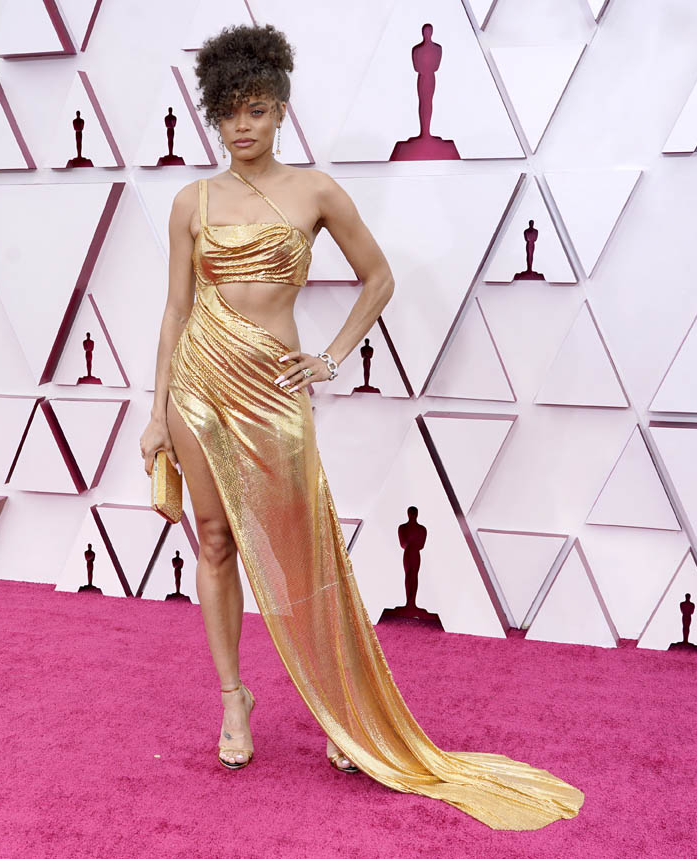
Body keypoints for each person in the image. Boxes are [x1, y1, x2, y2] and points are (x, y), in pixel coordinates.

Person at [138, 23, 583, 831]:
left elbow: (378, 279)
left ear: (279, 110)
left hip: (275, 391)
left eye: (258, 110)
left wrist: (332, 355)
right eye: (230, 112)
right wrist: (154, 410)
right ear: (213, 113)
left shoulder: (315, 191)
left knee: (305, 545)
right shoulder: (189, 203)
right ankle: (235, 702)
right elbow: (173, 310)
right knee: (212, 540)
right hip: (199, 386)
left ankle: (342, 706)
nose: (243, 126)